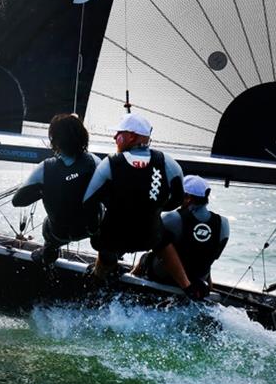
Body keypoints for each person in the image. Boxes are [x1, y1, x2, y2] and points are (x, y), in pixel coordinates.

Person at [83, 113, 208, 299]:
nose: (114, 138)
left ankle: (98, 280)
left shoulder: (110, 163)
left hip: (114, 237)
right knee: (163, 238)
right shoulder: (169, 163)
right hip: (149, 237)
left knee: (106, 238)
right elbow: (176, 201)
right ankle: (188, 287)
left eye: (118, 134)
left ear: (131, 137)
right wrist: (153, 207)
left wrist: (96, 224)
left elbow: (88, 202)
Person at [12, 113, 100, 266]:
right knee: (103, 216)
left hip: (59, 233)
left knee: (50, 226)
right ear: (83, 137)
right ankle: (106, 256)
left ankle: (49, 254)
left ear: (54, 140)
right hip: (90, 229)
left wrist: (46, 190)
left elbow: (17, 201)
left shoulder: (45, 168)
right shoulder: (95, 162)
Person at [133, 175, 229, 288]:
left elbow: (147, 243)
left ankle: (127, 283)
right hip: (198, 280)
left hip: (165, 277)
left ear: (188, 197)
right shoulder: (223, 224)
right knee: (203, 255)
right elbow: (211, 256)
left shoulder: (172, 218)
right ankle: (209, 287)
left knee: (146, 257)